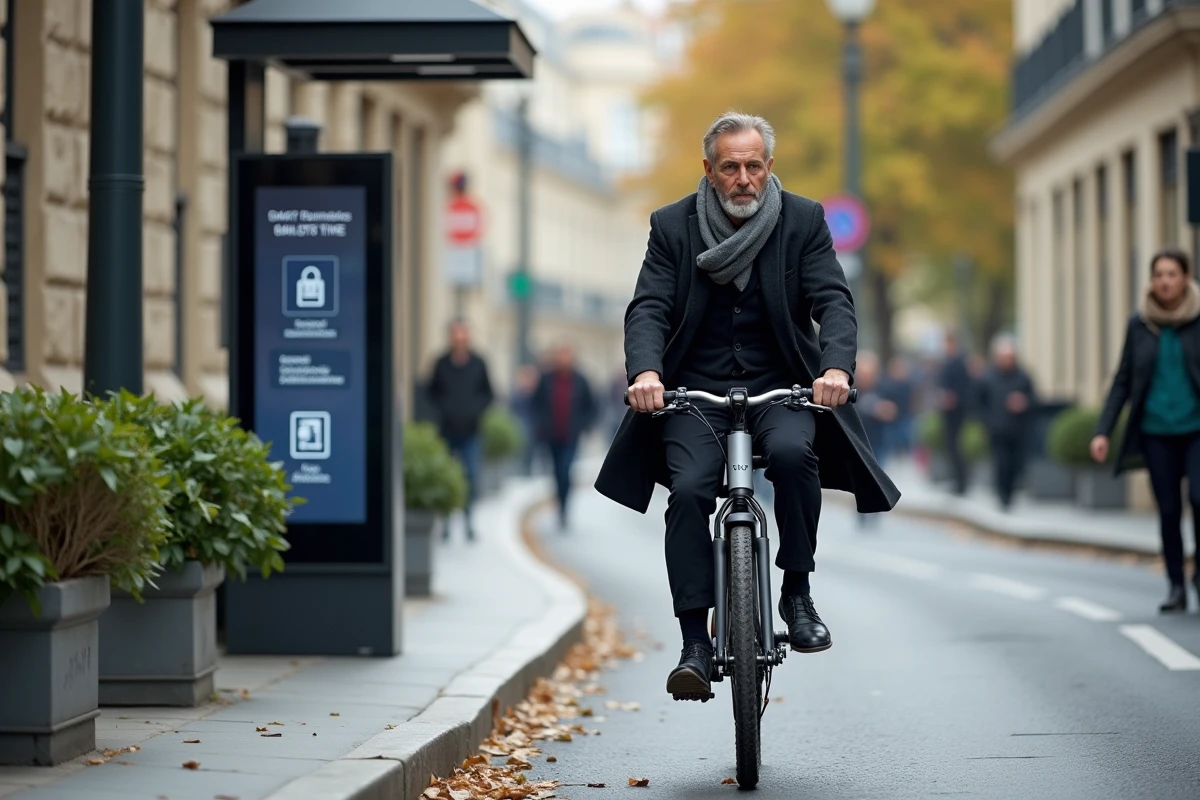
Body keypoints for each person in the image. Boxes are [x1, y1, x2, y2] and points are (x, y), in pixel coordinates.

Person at [594, 112, 900, 699]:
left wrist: (835, 368)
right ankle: (694, 642)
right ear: (708, 170)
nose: (743, 178)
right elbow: (649, 308)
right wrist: (647, 372)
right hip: (693, 395)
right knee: (686, 492)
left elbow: (833, 300)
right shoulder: (673, 226)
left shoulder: (804, 221)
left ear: (769, 168)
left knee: (791, 455)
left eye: (753, 166)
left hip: (780, 387)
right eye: (730, 167)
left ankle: (797, 590)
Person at [1092, 247, 1200, 613]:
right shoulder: (1140, 323)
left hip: (1196, 428)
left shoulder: (1198, 318)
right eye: (1159, 275)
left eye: (1172, 274)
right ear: (1152, 280)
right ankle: (1175, 585)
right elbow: (1123, 380)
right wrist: (1103, 430)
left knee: (1199, 500)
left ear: (1185, 278)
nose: (1165, 281)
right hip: (1156, 430)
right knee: (1168, 509)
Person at [427, 320, 494, 541]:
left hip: (471, 431)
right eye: (456, 334)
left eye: (463, 334)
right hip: (446, 430)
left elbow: (488, 394)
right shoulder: (441, 363)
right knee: (446, 478)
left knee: (471, 477)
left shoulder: (478, 363)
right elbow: (431, 392)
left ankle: (468, 522)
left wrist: (475, 410)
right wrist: (444, 409)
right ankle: (445, 524)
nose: (459, 338)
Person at [532, 345, 597, 530]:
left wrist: (584, 425)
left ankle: (564, 509)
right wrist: (541, 425)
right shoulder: (546, 379)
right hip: (551, 436)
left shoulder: (581, 380)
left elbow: (591, 406)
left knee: (565, 471)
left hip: (571, 436)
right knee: (556, 472)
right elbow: (536, 404)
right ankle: (559, 503)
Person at [977, 336, 1036, 510]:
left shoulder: (1023, 377)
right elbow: (979, 403)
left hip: (1018, 430)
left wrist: (1024, 403)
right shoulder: (988, 378)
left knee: (1015, 464)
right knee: (1001, 463)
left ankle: (1010, 492)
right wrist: (987, 421)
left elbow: (1034, 400)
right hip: (997, 430)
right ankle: (1003, 496)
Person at [937, 331, 974, 495]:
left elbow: (964, 386)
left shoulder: (959, 362)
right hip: (948, 411)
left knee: (957, 447)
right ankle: (956, 480)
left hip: (957, 411)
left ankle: (961, 483)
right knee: (951, 446)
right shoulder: (948, 362)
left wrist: (953, 398)